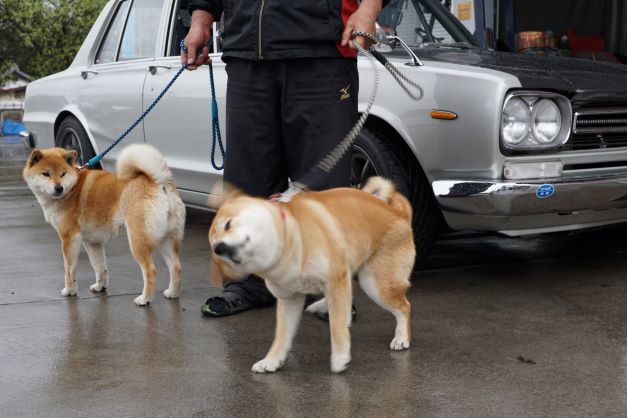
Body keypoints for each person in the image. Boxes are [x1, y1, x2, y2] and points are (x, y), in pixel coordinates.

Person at [182, 0, 385, 317]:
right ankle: (247, 282)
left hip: (322, 51)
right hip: (248, 53)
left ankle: (325, 286)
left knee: (324, 186)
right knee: (247, 179)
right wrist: (200, 21)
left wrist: (368, 10)